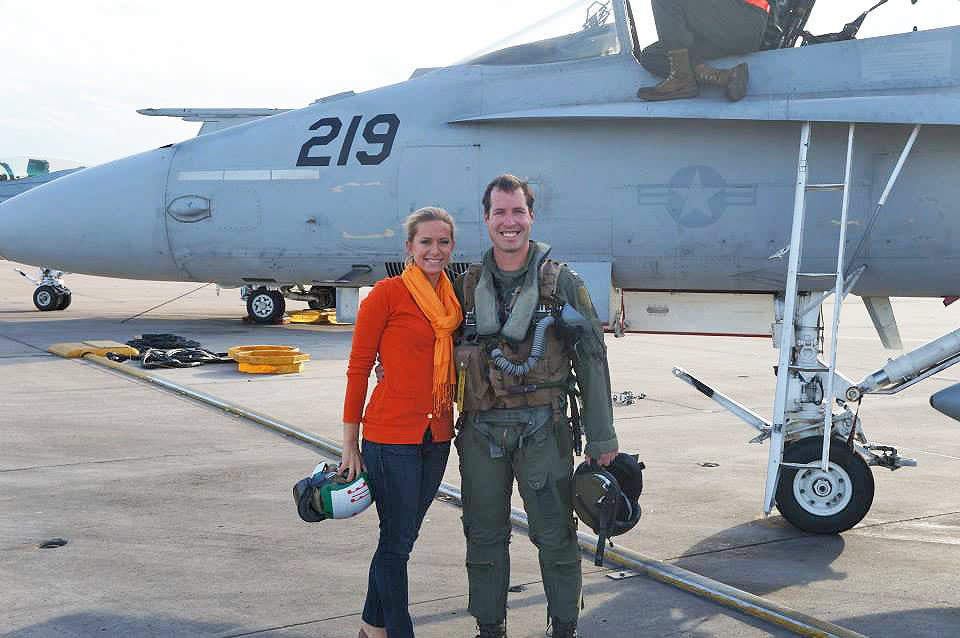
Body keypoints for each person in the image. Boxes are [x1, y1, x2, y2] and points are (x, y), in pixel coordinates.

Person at [454, 175, 619, 638]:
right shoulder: (465, 286)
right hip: (480, 430)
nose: (510, 222)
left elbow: (590, 357)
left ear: (531, 216)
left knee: (556, 536)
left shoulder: (563, 282)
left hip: (543, 429)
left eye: (518, 212)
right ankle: (490, 627)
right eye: (500, 213)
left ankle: (564, 627)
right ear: (486, 219)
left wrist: (602, 436)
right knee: (483, 536)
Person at [340, 207, 463, 638]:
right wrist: (349, 443)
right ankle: (397, 632)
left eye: (443, 242)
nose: (435, 250)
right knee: (395, 543)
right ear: (409, 247)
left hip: (438, 434)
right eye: (425, 242)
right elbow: (359, 368)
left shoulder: (453, 299)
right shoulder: (387, 295)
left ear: (452, 247)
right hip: (390, 436)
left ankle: (371, 629)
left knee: (401, 539)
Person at [636, 0, 770, 102]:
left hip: (744, 18)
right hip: (719, 29)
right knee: (651, 55)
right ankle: (722, 76)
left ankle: (682, 78)